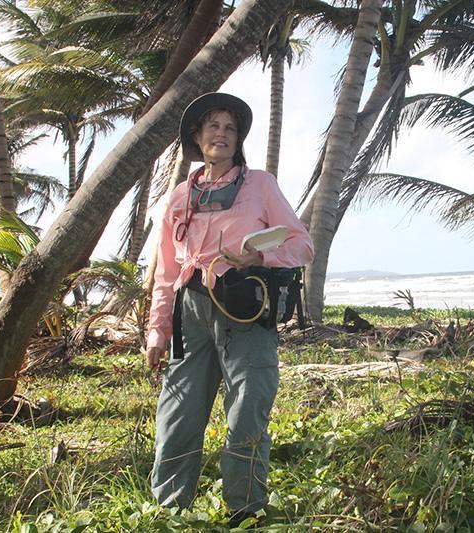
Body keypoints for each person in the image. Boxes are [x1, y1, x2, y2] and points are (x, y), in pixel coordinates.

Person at [145, 92, 314, 523]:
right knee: (178, 414)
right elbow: (167, 270)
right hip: (191, 311)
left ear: (238, 139)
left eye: (230, 128)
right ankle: (169, 511)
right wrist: (157, 331)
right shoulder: (181, 194)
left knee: (247, 409)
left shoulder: (260, 184)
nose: (221, 134)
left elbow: (303, 245)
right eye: (213, 126)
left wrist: (259, 257)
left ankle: (246, 509)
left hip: (245, 310)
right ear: (197, 137)